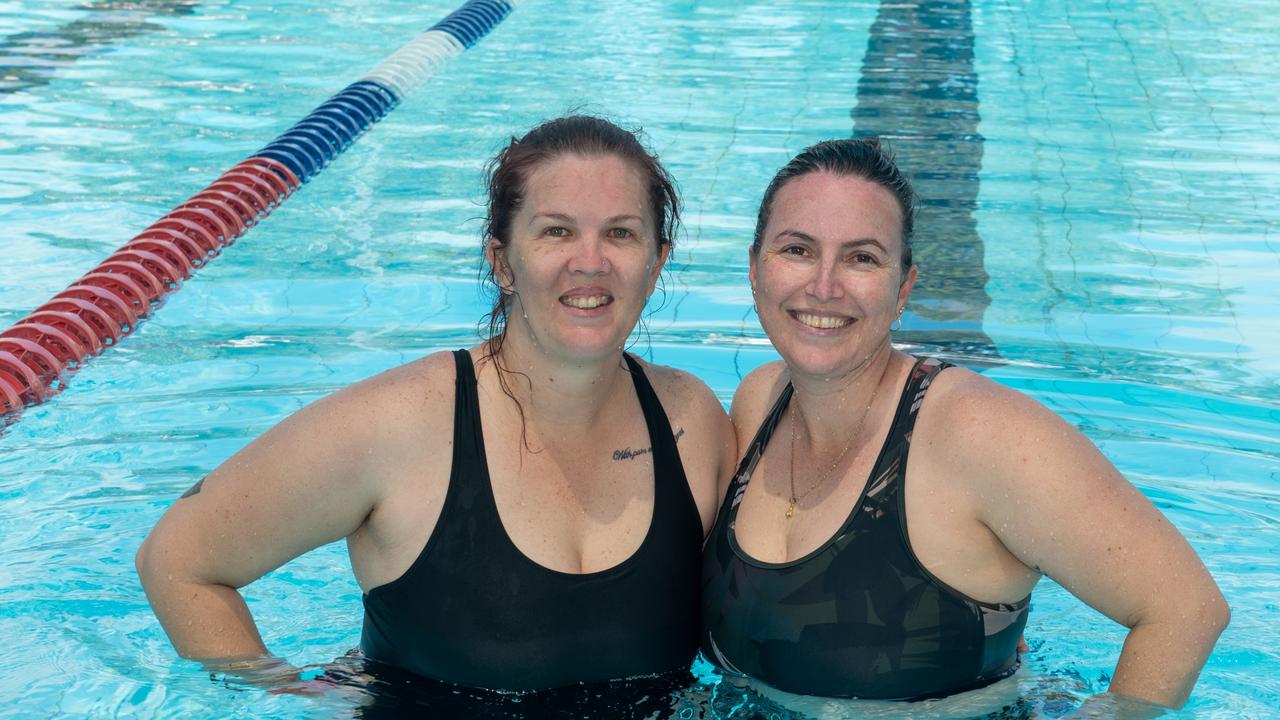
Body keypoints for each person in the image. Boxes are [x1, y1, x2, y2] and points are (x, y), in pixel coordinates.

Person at [137, 115, 735, 696]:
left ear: (656, 263)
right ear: (503, 262)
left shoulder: (692, 420)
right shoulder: (398, 425)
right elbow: (178, 561)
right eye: (556, 230)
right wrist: (284, 696)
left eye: (621, 233)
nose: (590, 262)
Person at [700, 138, 1228, 710]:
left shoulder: (979, 434)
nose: (824, 286)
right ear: (755, 269)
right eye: (797, 249)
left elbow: (1185, 609)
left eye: (862, 258)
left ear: (904, 287)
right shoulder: (759, 403)